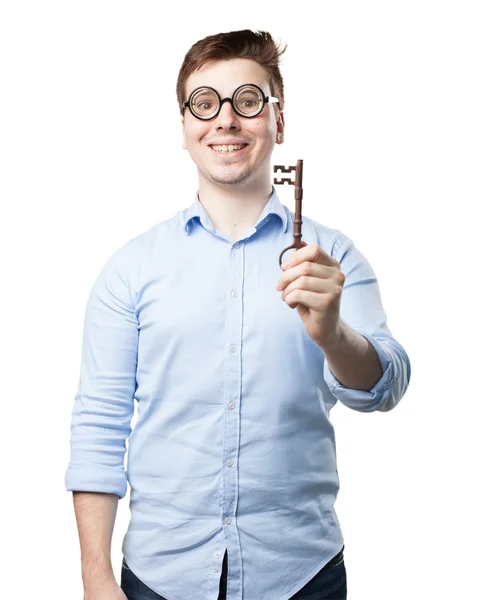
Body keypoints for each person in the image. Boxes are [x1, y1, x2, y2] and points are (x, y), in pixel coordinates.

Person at [65, 29, 411, 600]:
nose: (225, 119)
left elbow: (387, 384)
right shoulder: (130, 269)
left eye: (247, 101)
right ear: (185, 127)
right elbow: (99, 426)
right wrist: (95, 577)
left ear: (279, 121)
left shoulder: (333, 258)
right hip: (158, 578)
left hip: (302, 576)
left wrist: (333, 335)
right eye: (205, 103)